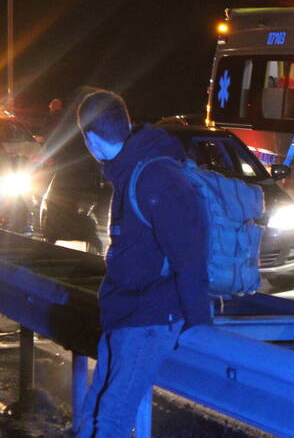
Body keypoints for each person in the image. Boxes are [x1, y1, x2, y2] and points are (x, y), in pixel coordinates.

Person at [73, 90, 210, 437]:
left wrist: (199, 323)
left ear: (90, 139)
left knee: (111, 418)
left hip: (149, 318)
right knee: (94, 412)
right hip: (125, 314)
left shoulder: (156, 177)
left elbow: (189, 256)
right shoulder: (130, 171)